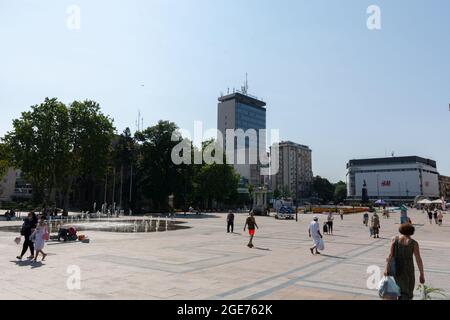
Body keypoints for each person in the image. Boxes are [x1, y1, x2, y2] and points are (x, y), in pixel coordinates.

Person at [385, 224, 425, 300]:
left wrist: (387, 269)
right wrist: (421, 273)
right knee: (407, 292)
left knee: (395, 290)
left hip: (395, 269)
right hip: (408, 271)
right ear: (412, 232)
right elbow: (418, 259)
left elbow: (390, 256)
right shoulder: (414, 243)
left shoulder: (395, 240)